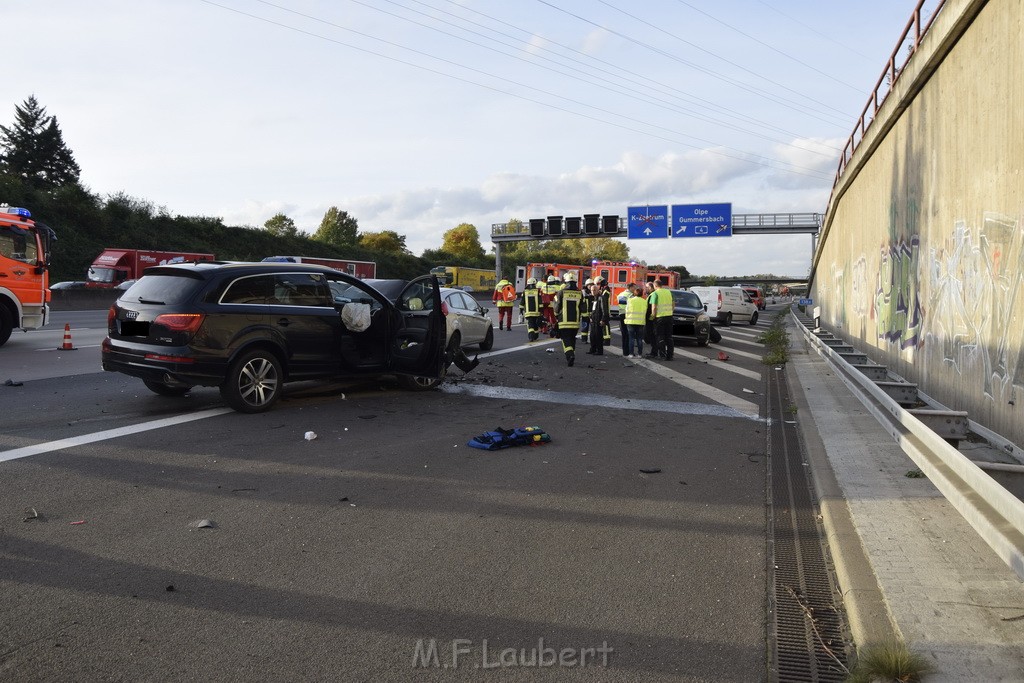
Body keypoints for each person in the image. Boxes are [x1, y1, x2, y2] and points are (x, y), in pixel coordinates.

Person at [552, 271, 583, 366]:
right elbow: (582, 307)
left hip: (564, 322)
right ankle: (572, 354)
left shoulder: (561, 292)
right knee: (572, 338)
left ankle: (570, 355)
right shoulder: (580, 293)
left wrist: (556, 314)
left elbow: (557, 306)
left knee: (565, 339)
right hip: (575, 322)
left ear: (566, 282)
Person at [647, 280, 674, 360]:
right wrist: (670, 312)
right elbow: (673, 304)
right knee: (669, 337)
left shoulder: (655, 293)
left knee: (660, 336)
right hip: (669, 317)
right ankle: (670, 355)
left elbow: (654, 307)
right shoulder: (668, 292)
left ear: (655, 286)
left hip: (659, 318)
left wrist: (652, 317)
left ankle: (662, 355)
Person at [623, 283, 647, 358]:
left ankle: (631, 354)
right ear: (642, 294)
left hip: (630, 321)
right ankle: (639, 354)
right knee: (639, 339)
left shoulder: (630, 300)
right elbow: (645, 311)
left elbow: (626, 310)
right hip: (640, 322)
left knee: (631, 338)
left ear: (634, 293)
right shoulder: (644, 301)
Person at [586, 282, 608, 355]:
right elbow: (593, 310)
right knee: (592, 336)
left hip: (599, 320)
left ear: (598, 290)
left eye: (594, 290)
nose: (592, 292)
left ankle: (599, 351)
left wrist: (603, 319)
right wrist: (590, 317)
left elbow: (604, 310)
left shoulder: (601, 298)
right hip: (594, 320)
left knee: (598, 336)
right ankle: (593, 349)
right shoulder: (594, 298)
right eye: (592, 290)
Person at [519, 277, 542, 342]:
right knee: (535, 324)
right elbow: (540, 303)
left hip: (528, 312)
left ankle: (531, 337)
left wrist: (520, 310)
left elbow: (522, 302)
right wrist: (541, 311)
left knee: (530, 324)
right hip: (536, 312)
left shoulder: (525, 292)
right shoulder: (537, 291)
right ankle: (535, 336)